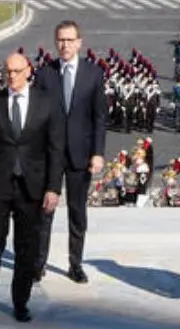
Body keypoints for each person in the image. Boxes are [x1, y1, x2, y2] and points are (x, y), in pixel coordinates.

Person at [0, 53, 66, 323]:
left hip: (32, 188)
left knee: (27, 248)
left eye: (16, 71)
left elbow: (55, 150)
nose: (11, 76)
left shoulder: (47, 104)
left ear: (29, 71)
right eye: (7, 71)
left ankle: (20, 302)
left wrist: (53, 188)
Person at [34, 20, 107, 284]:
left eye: (69, 40)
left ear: (79, 42)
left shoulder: (93, 74)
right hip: (50, 156)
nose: (64, 45)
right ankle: (38, 263)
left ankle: (75, 264)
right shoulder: (44, 75)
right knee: (44, 212)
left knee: (77, 213)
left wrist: (97, 152)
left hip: (80, 155)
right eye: (60, 40)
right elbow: (37, 117)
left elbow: (100, 118)